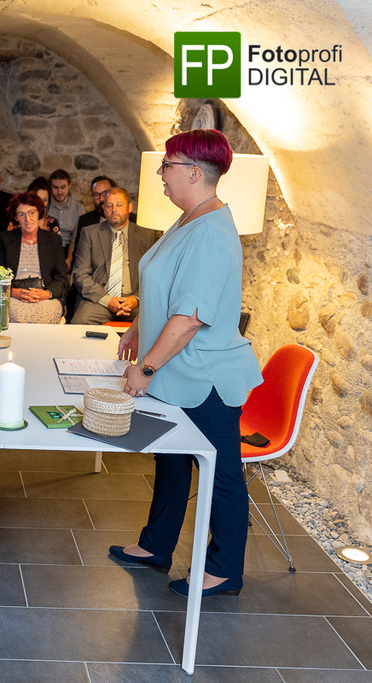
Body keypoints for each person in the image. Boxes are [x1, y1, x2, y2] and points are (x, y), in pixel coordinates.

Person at [109, 129, 263, 599]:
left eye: (167, 166)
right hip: (179, 371)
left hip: (205, 377)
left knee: (221, 473)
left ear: (194, 173)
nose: (160, 174)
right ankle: (156, 546)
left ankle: (224, 570)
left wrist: (146, 368)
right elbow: (165, 288)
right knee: (172, 460)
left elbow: (190, 317)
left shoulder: (212, 232)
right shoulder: (187, 219)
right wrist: (138, 326)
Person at [70, 187, 156, 325]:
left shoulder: (147, 236)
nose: (114, 210)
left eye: (119, 205)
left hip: (134, 302)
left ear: (129, 207)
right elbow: (80, 275)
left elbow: (153, 276)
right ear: (104, 209)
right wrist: (107, 300)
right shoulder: (90, 233)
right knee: (79, 322)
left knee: (156, 322)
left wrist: (136, 298)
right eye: (109, 206)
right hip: (100, 300)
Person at [0, 192, 67, 324]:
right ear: (15, 217)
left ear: (39, 213)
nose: (27, 219)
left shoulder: (53, 240)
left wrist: (46, 294)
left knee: (43, 320)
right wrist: (12, 292)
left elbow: (62, 279)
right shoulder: (5, 239)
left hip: (45, 297)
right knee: (18, 319)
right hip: (14, 297)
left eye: (31, 213)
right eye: (22, 214)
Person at [46, 168, 83, 267]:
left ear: (70, 185)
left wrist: (69, 259)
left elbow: (76, 238)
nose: (59, 192)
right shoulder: (45, 205)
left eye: (63, 187)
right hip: (48, 248)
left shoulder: (78, 208)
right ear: (50, 187)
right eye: (55, 187)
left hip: (70, 250)